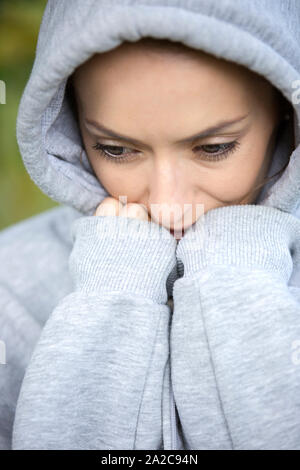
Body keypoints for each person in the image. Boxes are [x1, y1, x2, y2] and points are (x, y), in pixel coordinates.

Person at [1, 0, 300, 450]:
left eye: (214, 147)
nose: (167, 204)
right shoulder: (10, 285)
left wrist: (234, 280)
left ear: (285, 114)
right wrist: (113, 298)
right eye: (117, 150)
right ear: (67, 126)